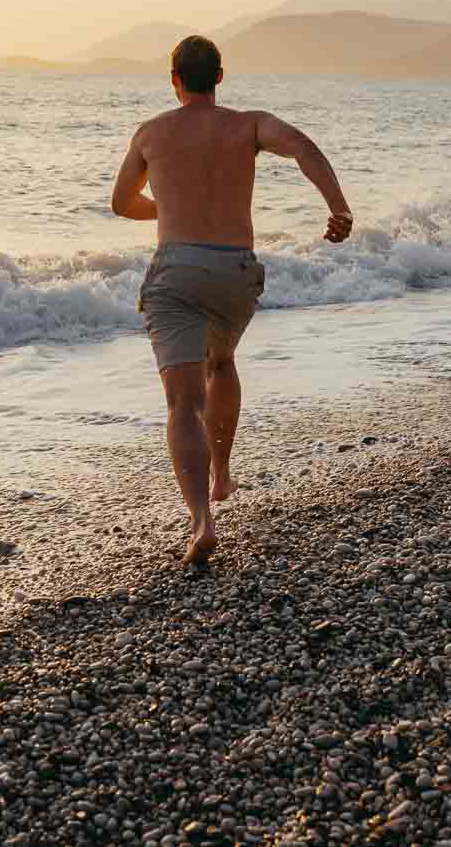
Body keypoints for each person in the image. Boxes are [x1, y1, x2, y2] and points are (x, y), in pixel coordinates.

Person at [110, 35, 353, 565]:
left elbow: (121, 202)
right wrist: (339, 208)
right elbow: (304, 148)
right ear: (219, 77)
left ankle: (201, 520)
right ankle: (221, 474)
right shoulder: (250, 125)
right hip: (235, 272)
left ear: (174, 81)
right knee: (221, 363)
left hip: (176, 273)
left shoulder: (150, 133)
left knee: (183, 404)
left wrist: (171, 205)